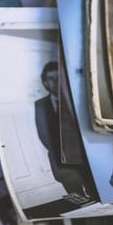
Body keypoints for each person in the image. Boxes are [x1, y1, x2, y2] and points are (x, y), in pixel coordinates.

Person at [33, 61, 89, 198]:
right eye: (51, 79)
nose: (55, 82)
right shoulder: (40, 105)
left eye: (59, 78)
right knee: (77, 198)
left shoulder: (75, 98)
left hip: (85, 158)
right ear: (45, 83)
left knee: (96, 193)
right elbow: (43, 135)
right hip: (62, 163)